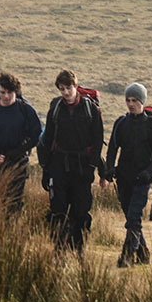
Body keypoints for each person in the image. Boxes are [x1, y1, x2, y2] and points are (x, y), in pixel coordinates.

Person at [37, 69, 105, 251]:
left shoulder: (91, 109)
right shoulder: (56, 109)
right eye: (62, 89)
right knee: (58, 210)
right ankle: (59, 249)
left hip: (82, 166)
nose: (66, 92)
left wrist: (93, 166)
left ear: (76, 86)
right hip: (59, 164)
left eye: (68, 88)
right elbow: (48, 140)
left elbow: (98, 140)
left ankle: (78, 249)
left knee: (80, 211)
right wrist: (46, 169)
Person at [103, 83, 152, 266]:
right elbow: (112, 149)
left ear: (142, 101)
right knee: (131, 218)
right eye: (128, 100)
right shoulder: (121, 123)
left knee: (134, 217)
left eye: (134, 100)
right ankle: (144, 255)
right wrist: (109, 168)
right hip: (123, 178)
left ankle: (127, 257)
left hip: (142, 179)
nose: (131, 104)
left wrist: (149, 172)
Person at [0, 72, 42, 215]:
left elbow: (36, 135)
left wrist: (18, 152)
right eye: (3, 92)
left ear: (16, 92)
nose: (6, 96)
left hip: (18, 163)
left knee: (15, 202)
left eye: (10, 92)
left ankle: (12, 226)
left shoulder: (26, 110)